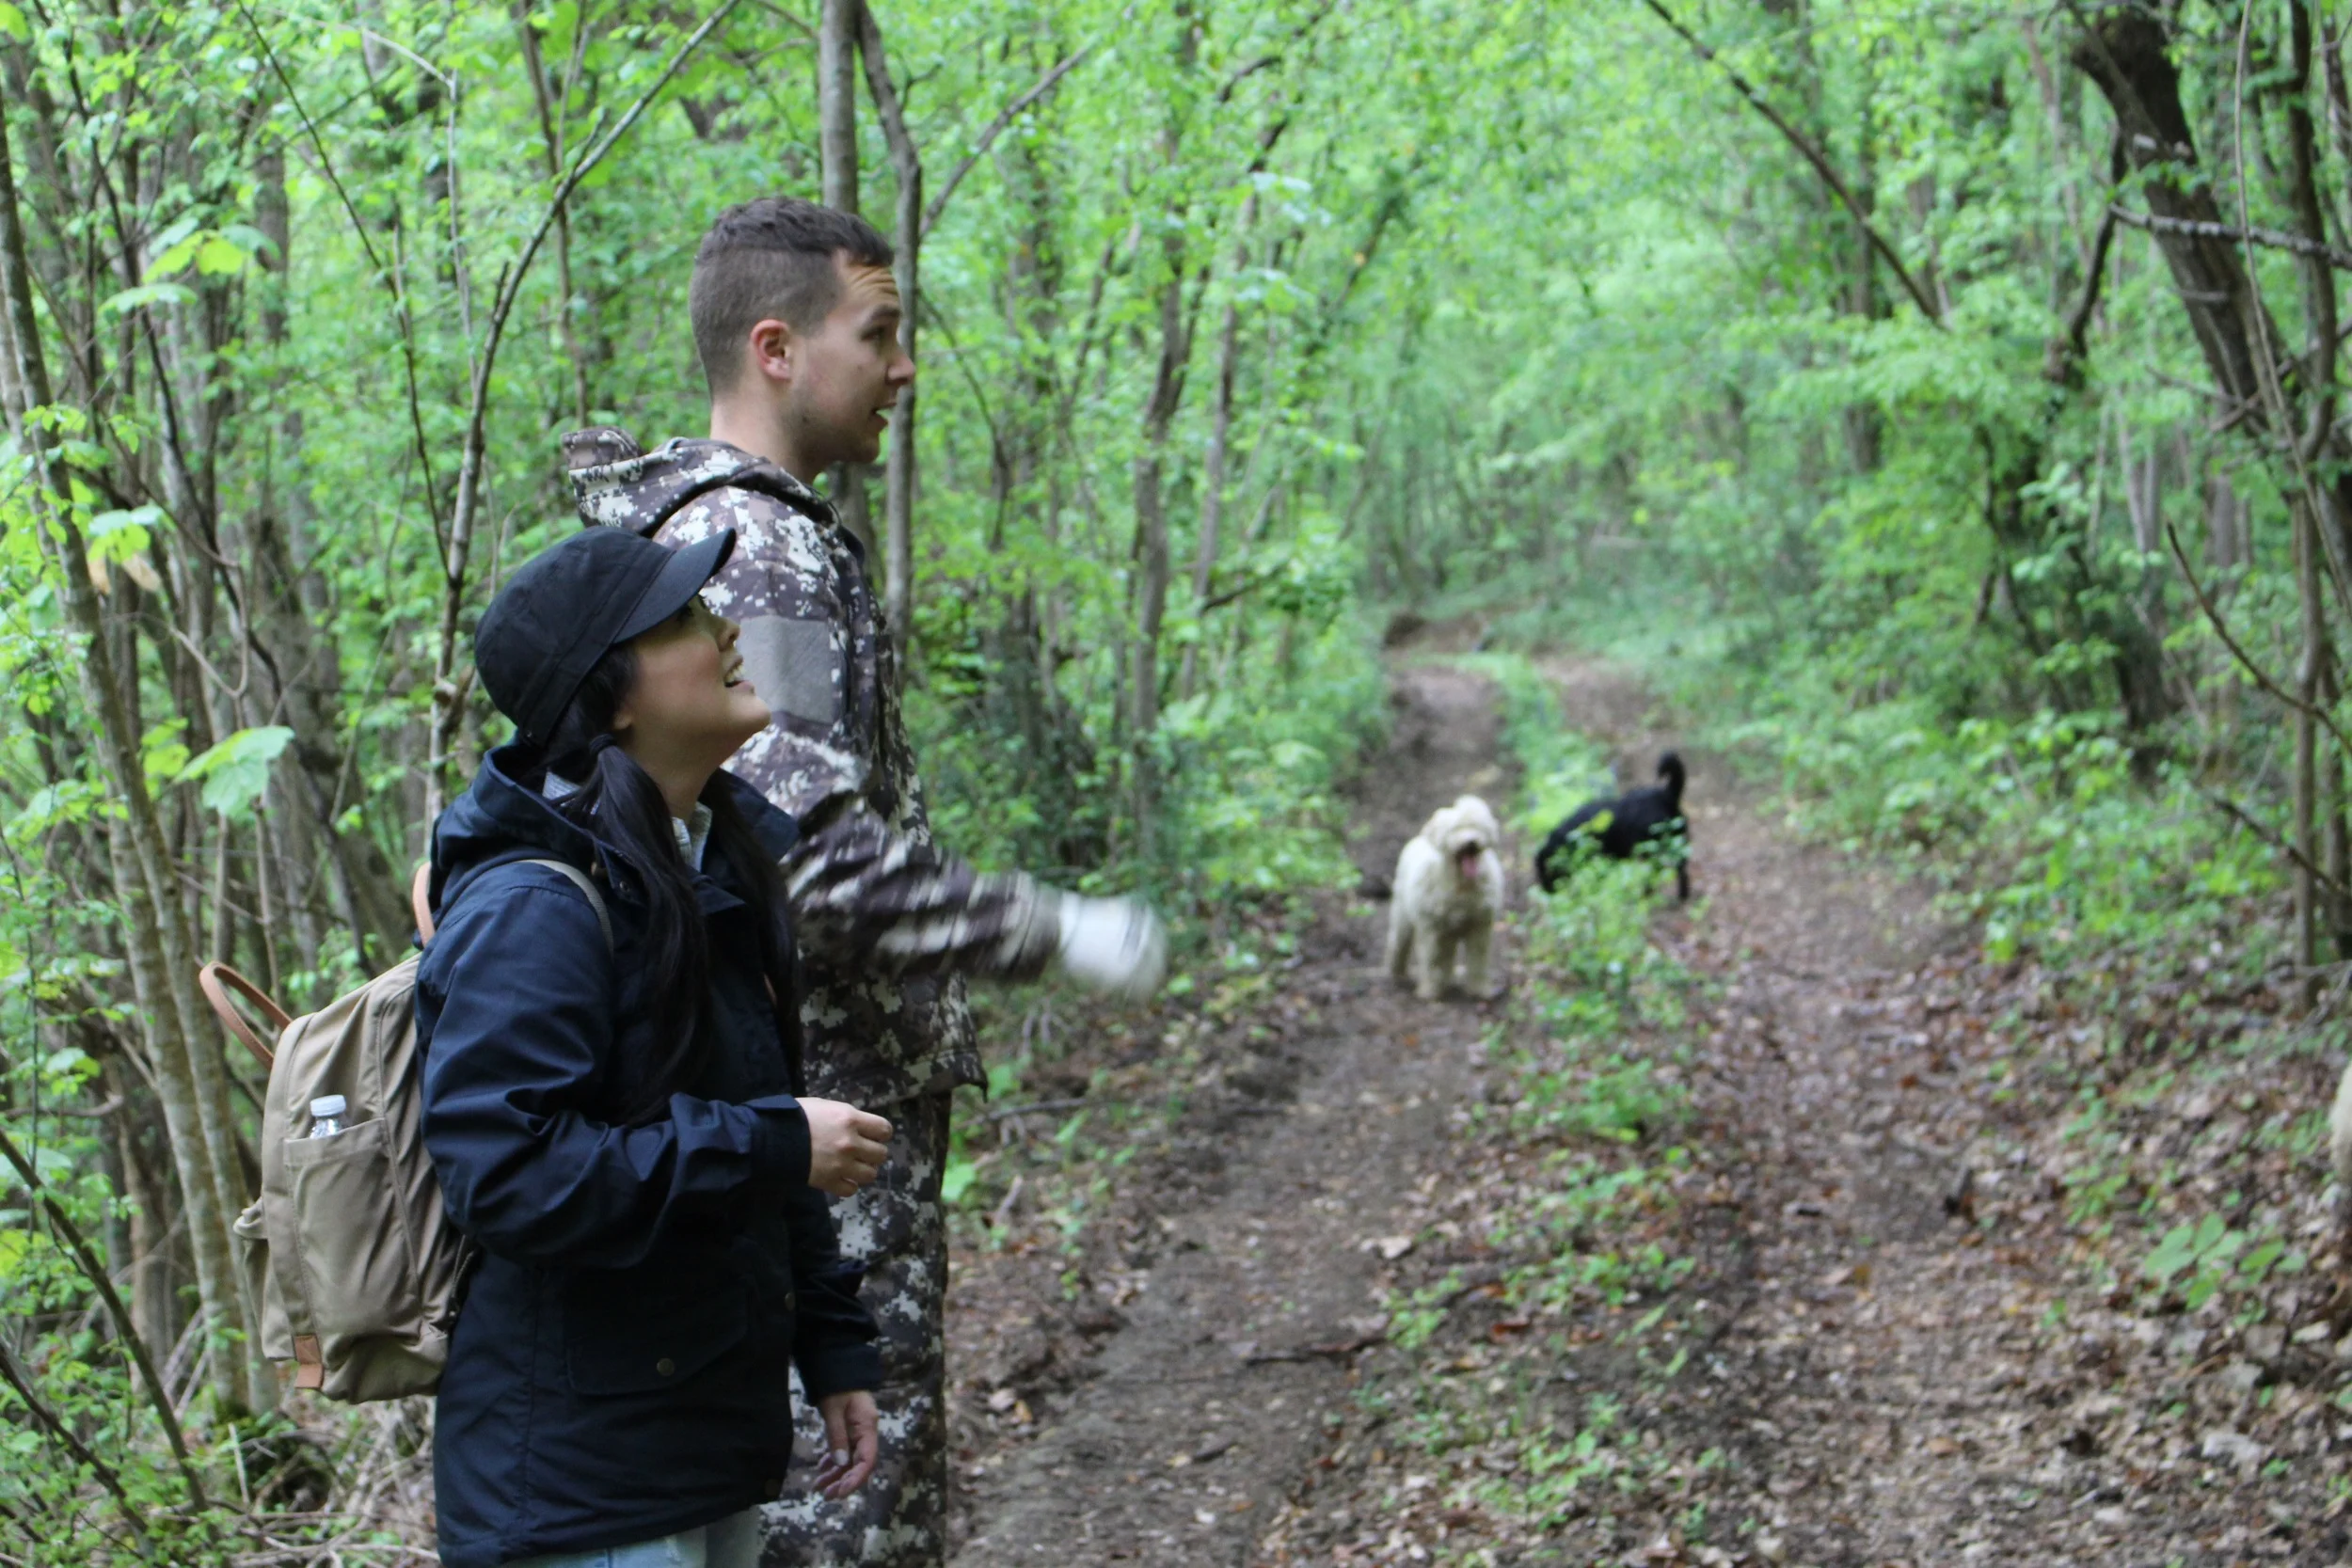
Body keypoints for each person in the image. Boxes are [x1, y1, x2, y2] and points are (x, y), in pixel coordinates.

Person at [561, 197, 1168, 1567]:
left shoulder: (724, 537)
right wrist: (1048, 927)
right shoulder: (756, 550)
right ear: (776, 348)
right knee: (841, 1515)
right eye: (880, 332)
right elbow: (808, 857)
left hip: (778, 1111)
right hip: (809, 1120)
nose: (905, 368)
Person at [416, 523, 898, 1568]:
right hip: (576, 1492)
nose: (725, 628)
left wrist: (830, 1347)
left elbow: (762, 1120)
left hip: (689, 1452)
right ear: (614, 693)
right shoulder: (532, 904)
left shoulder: (700, 869)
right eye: (683, 615)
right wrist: (771, 1142)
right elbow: (505, 1173)